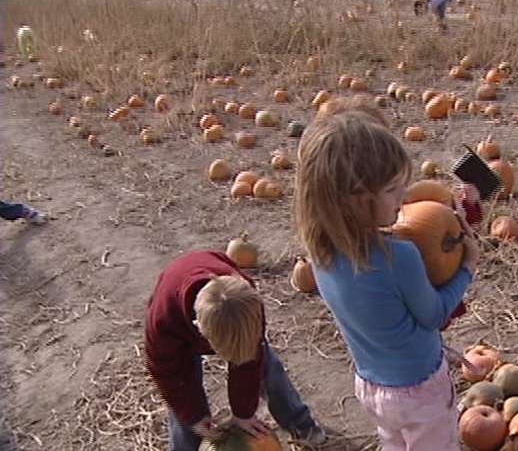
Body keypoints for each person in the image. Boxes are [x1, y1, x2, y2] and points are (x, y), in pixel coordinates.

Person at [294, 96, 480, 450]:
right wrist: (468, 266)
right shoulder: (399, 256)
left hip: (372, 386)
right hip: (420, 391)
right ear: (355, 198)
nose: (403, 197)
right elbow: (434, 314)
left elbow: (389, 321)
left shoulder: (321, 252)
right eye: (393, 189)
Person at [145, 251, 326, 449]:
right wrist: (194, 417)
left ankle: (300, 424)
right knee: (182, 390)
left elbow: (250, 360)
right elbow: (165, 374)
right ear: (200, 331)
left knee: (266, 366)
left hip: (218, 304)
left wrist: (243, 414)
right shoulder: (164, 322)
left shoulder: (248, 303)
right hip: (179, 318)